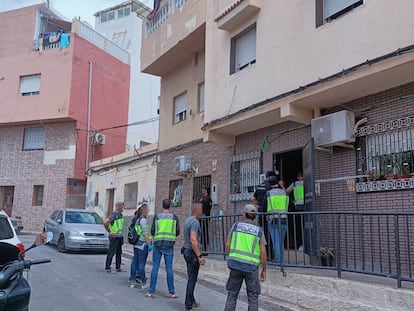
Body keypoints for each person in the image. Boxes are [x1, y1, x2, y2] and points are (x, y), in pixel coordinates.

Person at [224, 204, 267, 311]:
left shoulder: (236, 226)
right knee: (253, 297)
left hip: (235, 265)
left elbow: (227, 245)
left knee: (232, 295)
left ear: (244, 213)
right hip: (251, 268)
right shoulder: (259, 230)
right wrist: (264, 269)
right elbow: (263, 251)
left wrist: (230, 259)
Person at [146, 199, 180, 298]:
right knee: (169, 268)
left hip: (158, 244)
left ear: (162, 205)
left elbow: (152, 230)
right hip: (169, 244)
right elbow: (177, 231)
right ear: (170, 206)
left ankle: (151, 291)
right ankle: (172, 292)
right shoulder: (174, 217)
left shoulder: (157, 217)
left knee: (155, 267)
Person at [182, 203, 206, 310]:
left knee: (191, 277)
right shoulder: (195, 223)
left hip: (187, 251)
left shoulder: (187, 220)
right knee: (192, 279)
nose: (202, 211)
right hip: (192, 253)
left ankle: (192, 300)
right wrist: (199, 255)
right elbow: (193, 239)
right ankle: (188, 304)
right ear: (197, 210)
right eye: (201, 209)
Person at [267, 175, 289, 265]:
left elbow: (265, 205)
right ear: (278, 182)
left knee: (276, 241)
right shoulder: (285, 193)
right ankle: (280, 261)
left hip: (273, 220)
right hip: (284, 219)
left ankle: (278, 261)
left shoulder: (268, 193)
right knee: (281, 241)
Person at [129, 204, 151, 288]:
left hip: (136, 245)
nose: (148, 211)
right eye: (148, 210)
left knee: (134, 262)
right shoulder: (143, 221)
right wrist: (148, 243)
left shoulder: (137, 220)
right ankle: (143, 282)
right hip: (142, 245)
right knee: (141, 264)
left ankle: (132, 281)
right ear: (144, 211)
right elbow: (145, 233)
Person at [104, 201, 125, 273]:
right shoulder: (114, 215)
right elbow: (106, 222)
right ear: (118, 207)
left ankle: (118, 267)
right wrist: (110, 231)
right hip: (114, 237)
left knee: (119, 252)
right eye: (122, 207)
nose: (123, 208)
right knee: (111, 252)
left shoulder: (121, 215)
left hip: (119, 236)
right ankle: (108, 267)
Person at [199, 186, 212, 253]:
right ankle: (200, 247)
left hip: (205, 217)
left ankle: (205, 249)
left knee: (204, 232)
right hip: (200, 217)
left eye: (203, 190)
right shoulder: (202, 198)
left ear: (206, 191)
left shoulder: (208, 199)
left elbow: (206, 206)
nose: (202, 191)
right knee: (200, 232)